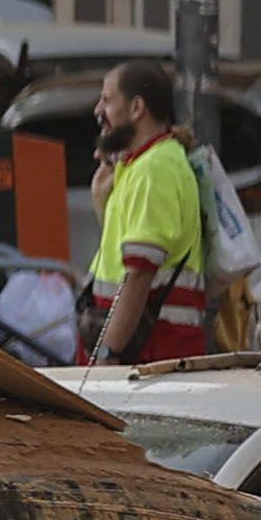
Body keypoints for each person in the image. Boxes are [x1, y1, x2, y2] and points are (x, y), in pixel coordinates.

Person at [92, 59, 217, 364]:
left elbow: (138, 275)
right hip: (144, 353)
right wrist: (100, 194)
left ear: (137, 108)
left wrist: (107, 355)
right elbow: (120, 258)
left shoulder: (155, 170)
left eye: (107, 100)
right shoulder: (141, 164)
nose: (98, 111)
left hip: (148, 356)